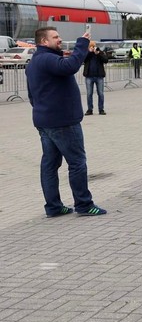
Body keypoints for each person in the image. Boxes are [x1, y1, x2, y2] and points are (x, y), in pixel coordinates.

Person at [26, 27, 107, 217]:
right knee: (77, 162)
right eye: (55, 37)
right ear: (44, 41)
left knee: (50, 164)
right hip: (62, 121)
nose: (60, 39)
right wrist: (82, 43)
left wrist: (43, 109)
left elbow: (32, 95)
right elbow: (70, 66)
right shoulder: (47, 59)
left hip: (45, 120)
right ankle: (84, 204)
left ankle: (54, 207)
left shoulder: (35, 62)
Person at [83, 41, 108, 115]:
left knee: (100, 93)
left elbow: (106, 60)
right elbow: (83, 59)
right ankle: (89, 109)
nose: (92, 48)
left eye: (93, 46)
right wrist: (89, 52)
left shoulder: (100, 52)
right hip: (89, 76)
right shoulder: (87, 53)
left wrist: (98, 54)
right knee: (89, 94)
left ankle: (101, 109)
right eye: (91, 46)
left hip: (99, 76)